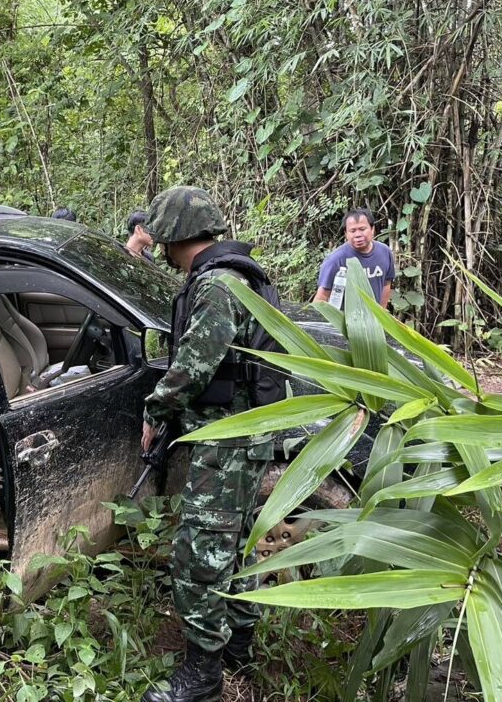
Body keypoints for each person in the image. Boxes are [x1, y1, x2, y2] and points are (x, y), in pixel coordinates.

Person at [139, 186, 274, 702]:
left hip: (228, 438)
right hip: (240, 432)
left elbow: (194, 365)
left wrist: (155, 409)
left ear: (176, 234)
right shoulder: (238, 274)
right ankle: (239, 642)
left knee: (199, 554)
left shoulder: (217, 285)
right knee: (233, 545)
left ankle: (203, 674)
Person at [313, 208, 395, 309]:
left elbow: (386, 284)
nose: (358, 235)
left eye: (362, 229)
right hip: (345, 321)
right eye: (352, 231)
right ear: (346, 234)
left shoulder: (384, 252)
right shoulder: (336, 259)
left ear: (372, 229)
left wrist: (381, 316)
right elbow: (322, 296)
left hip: (374, 321)